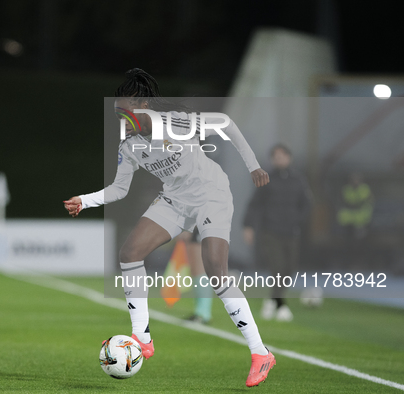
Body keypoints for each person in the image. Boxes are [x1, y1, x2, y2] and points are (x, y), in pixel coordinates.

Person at [64, 68, 275, 387]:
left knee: (216, 270)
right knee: (130, 253)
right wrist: (85, 199)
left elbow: (227, 124)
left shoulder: (174, 122)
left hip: (211, 195)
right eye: (117, 114)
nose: (121, 119)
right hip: (175, 200)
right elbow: (119, 189)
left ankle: (261, 353)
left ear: (142, 106)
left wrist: (254, 167)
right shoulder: (129, 147)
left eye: (124, 112)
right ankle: (142, 337)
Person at [243, 144, 312, 322]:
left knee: (290, 269)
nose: (279, 159)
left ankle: (271, 300)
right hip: (270, 231)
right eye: (276, 156)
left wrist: (298, 220)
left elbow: (307, 204)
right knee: (278, 267)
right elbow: (254, 204)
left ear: (289, 158)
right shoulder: (266, 179)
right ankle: (281, 304)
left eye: (282, 155)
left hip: (291, 231)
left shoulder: (298, 180)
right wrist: (248, 226)